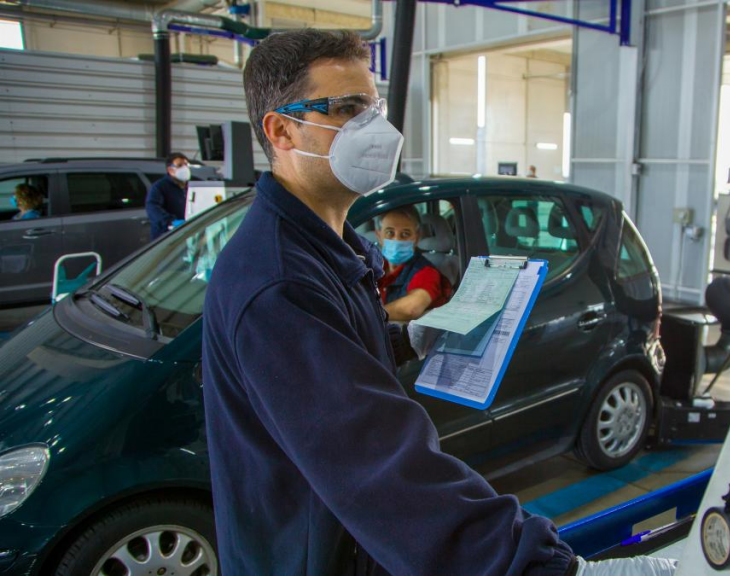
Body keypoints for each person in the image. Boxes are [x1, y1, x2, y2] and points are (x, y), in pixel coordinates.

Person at [201, 29, 674, 576]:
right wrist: (552, 572)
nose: (375, 128)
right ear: (282, 129)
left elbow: (340, 364)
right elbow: (387, 472)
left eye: (373, 107)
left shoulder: (329, 246)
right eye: (348, 109)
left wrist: (404, 338)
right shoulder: (280, 284)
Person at [376, 206, 451, 321]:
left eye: (405, 234)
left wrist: (368, 317)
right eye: (390, 232)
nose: (397, 239)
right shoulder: (373, 267)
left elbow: (410, 309)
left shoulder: (426, 272)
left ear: (416, 238)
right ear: (379, 236)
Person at [145, 152, 190, 240]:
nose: (185, 168)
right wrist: (171, 222)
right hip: (166, 236)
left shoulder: (190, 187)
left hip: (186, 235)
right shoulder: (160, 187)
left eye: (186, 164)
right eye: (180, 165)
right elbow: (152, 207)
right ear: (170, 170)